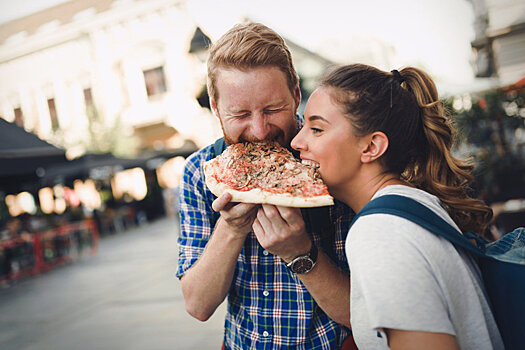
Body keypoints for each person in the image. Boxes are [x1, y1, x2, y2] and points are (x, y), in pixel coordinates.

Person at [291, 64, 505, 350]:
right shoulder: (413, 203)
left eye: (316, 129)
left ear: (371, 147)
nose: (296, 141)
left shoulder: (379, 232)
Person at [176, 23, 354, 349]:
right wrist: (230, 229)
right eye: (240, 114)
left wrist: (301, 253)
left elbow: (360, 313)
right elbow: (198, 306)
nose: (259, 131)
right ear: (216, 108)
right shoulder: (198, 172)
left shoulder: (331, 159)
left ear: (296, 94)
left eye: (273, 109)